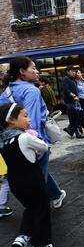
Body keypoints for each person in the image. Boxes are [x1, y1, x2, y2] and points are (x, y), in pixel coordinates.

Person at [0, 57, 66, 209]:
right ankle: (36, 214)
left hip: (11, 143)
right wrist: (36, 144)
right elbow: (32, 120)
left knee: (40, 172)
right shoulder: (31, 90)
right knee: (36, 181)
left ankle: (56, 194)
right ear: (22, 72)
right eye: (33, 68)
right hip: (31, 141)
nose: (37, 72)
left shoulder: (6, 92)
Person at [0, 103, 53, 247]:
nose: (29, 119)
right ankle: (39, 245)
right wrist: (33, 139)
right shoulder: (24, 137)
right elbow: (44, 146)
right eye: (25, 116)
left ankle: (23, 237)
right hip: (32, 181)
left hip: (15, 183)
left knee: (31, 208)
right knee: (42, 209)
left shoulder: (2, 140)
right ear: (11, 120)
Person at [62, 66, 84, 139]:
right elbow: (66, 90)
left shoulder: (73, 79)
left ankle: (71, 129)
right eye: (72, 71)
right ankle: (75, 131)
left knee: (76, 117)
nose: (74, 72)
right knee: (74, 118)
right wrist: (73, 96)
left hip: (75, 101)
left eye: (74, 71)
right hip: (69, 101)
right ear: (68, 72)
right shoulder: (66, 79)